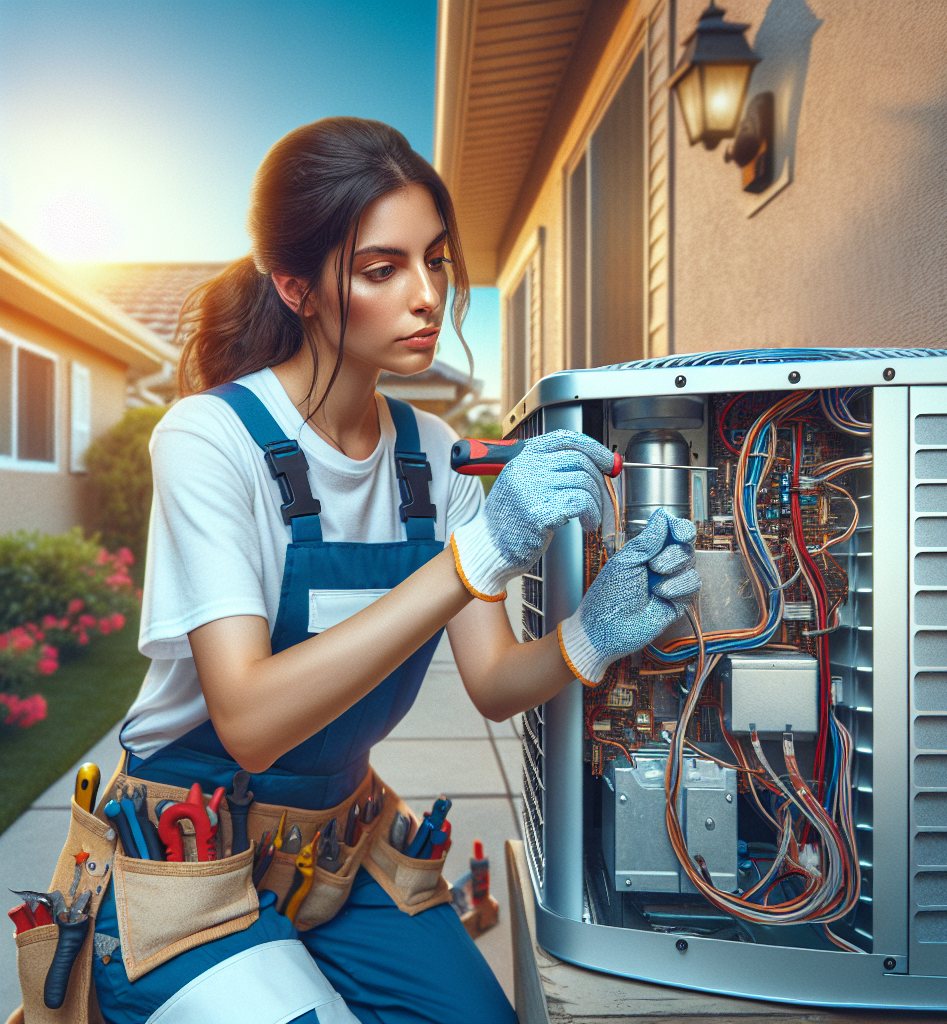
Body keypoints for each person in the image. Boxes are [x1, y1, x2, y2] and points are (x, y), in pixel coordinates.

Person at [91, 117, 700, 1024]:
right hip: (187, 856)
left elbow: (493, 682)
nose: (425, 296)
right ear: (296, 286)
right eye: (382, 269)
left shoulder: (432, 453)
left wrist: (592, 634)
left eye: (436, 259)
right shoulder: (211, 438)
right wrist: (481, 553)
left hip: (333, 847)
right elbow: (250, 720)